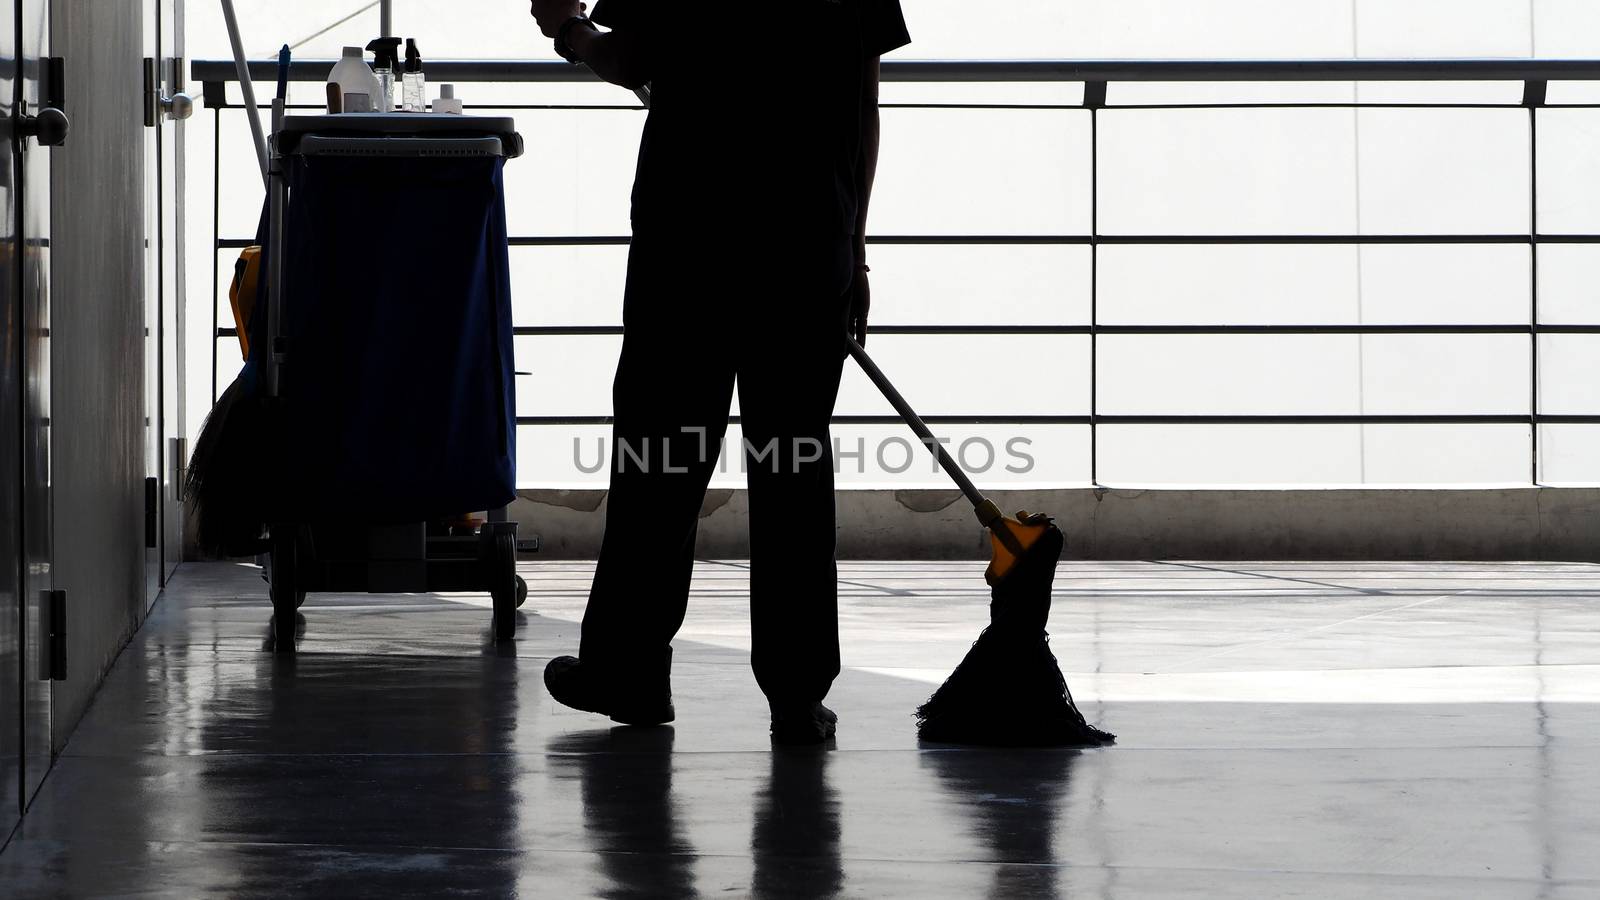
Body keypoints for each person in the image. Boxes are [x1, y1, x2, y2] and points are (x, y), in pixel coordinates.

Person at [529, 0, 911, 744]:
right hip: (807, 245)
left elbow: (634, 59)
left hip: (690, 242)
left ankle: (628, 670)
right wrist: (854, 248)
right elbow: (862, 107)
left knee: (658, 464)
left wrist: (570, 33)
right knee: (792, 469)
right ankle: (798, 695)